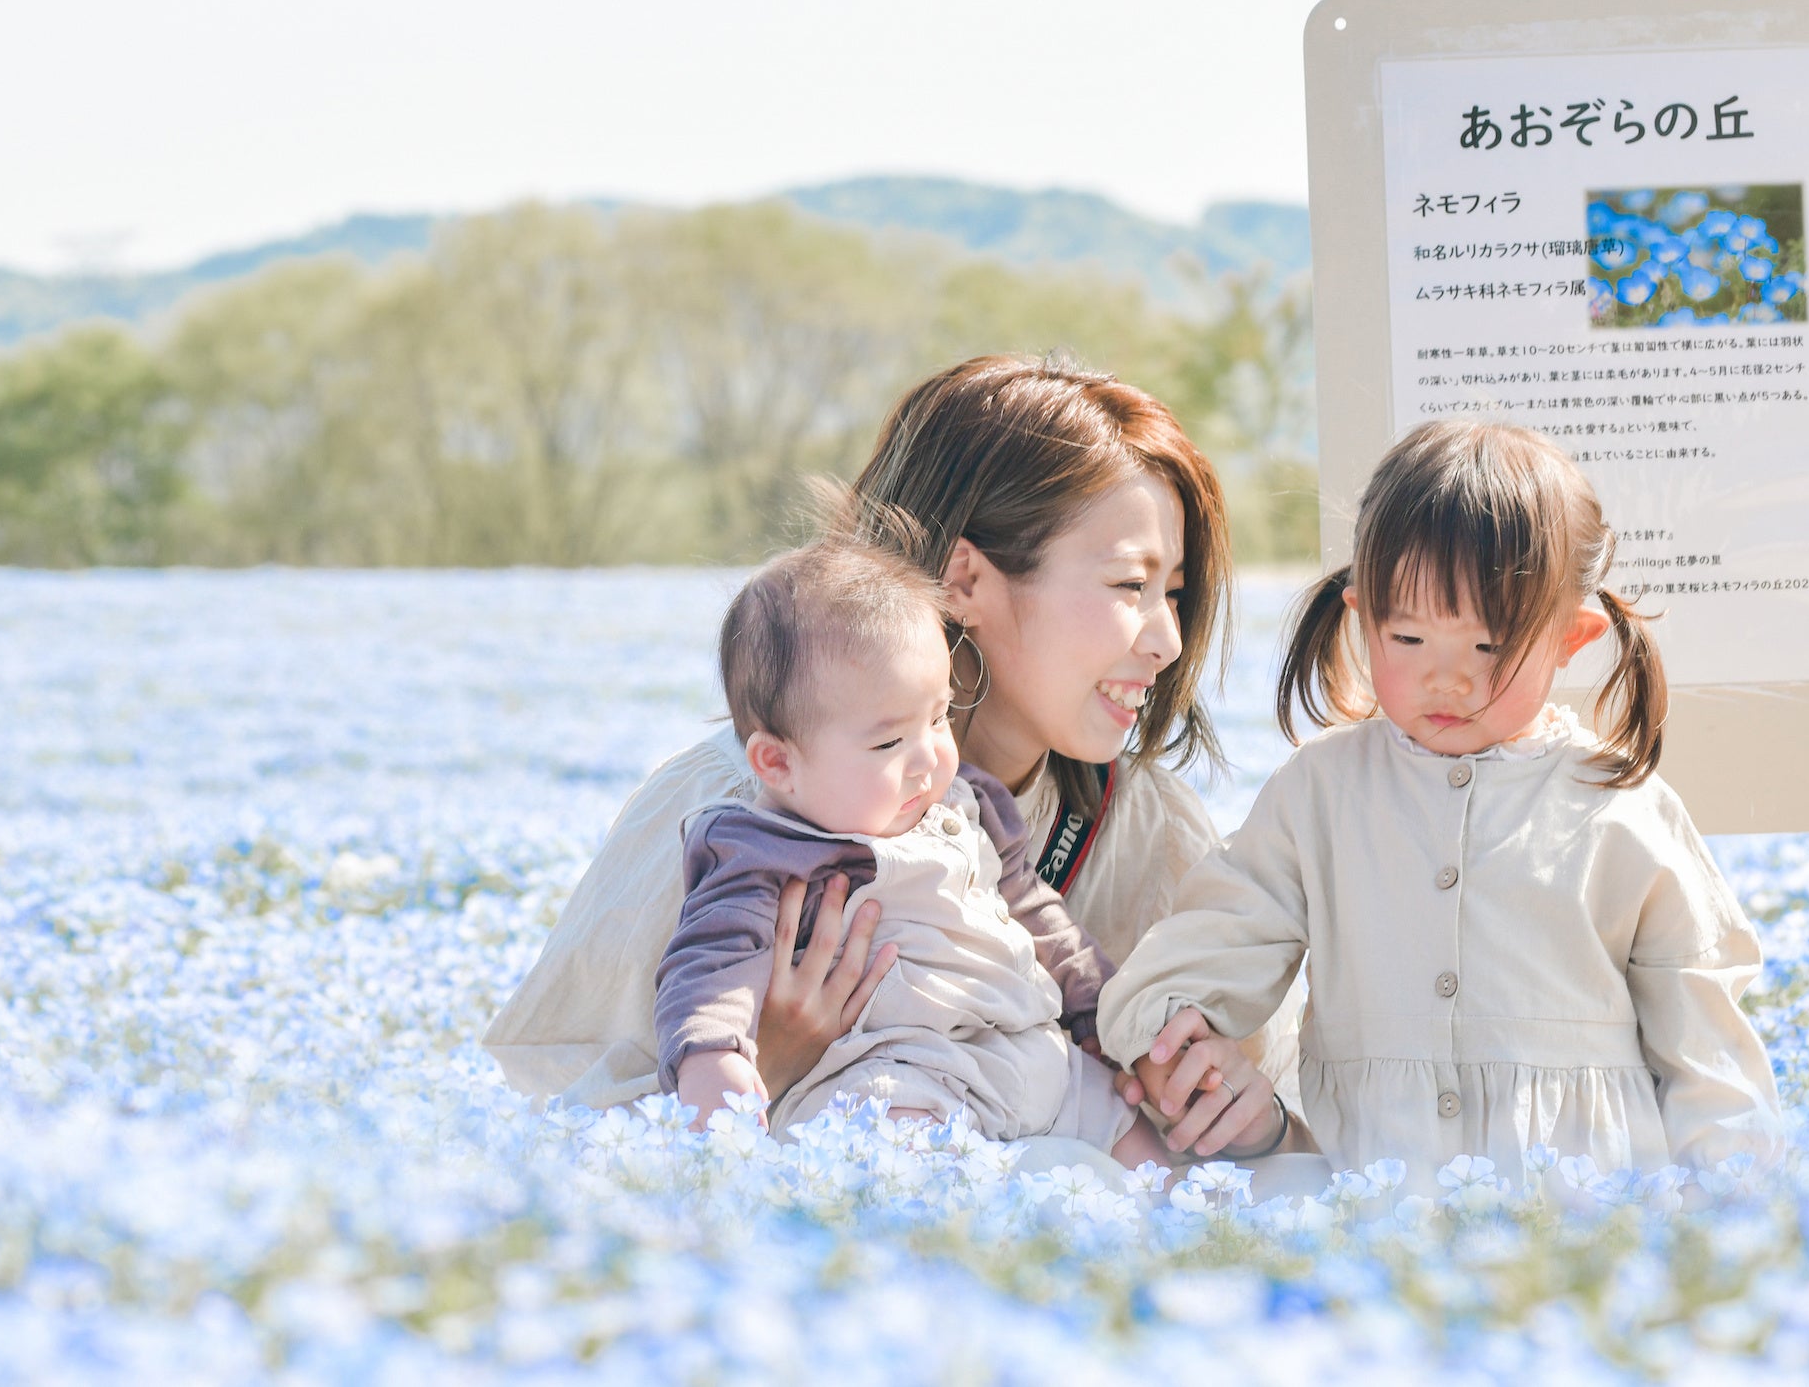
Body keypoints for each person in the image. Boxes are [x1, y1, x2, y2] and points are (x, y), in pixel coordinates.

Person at [482, 355, 1301, 1163]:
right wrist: (764, 1073)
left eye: (1176, 594)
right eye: (1130, 585)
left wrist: (1247, 1120)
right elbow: (537, 1121)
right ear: (964, 579)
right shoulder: (726, 804)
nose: (1165, 641)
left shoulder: (1151, 833)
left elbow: (1304, 1146)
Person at [1099, 420, 1785, 1186]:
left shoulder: (1622, 807)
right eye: (1409, 640)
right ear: (1363, 619)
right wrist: (1165, 1031)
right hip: (1373, 1205)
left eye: (1488, 646)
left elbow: (1704, 1041)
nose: (1446, 679)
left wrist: (1733, 1197)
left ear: (1572, 637)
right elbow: (1224, 929)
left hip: (1584, 1217)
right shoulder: (1321, 794)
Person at [657, 535, 1169, 1168]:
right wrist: (715, 1066)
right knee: (901, 1161)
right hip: (897, 1074)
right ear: (778, 762)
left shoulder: (965, 800)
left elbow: (1037, 914)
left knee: (1145, 1143)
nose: (929, 758)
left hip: (1029, 1051)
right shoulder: (761, 851)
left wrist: (1097, 1008)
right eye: (888, 743)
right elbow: (709, 967)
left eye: (937, 718)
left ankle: (1210, 1232)